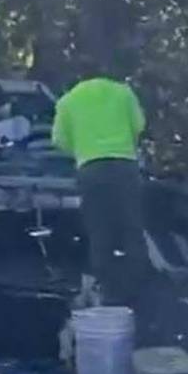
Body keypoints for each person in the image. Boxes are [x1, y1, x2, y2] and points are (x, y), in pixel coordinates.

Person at [51, 65, 149, 311]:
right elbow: (139, 125)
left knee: (99, 231)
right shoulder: (122, 92)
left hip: (91, 169)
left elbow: (58, 140)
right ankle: (138, 288)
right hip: (125, 165)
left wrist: (81, 150)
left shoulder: (68, 100)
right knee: (132, 227)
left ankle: (107, 291)